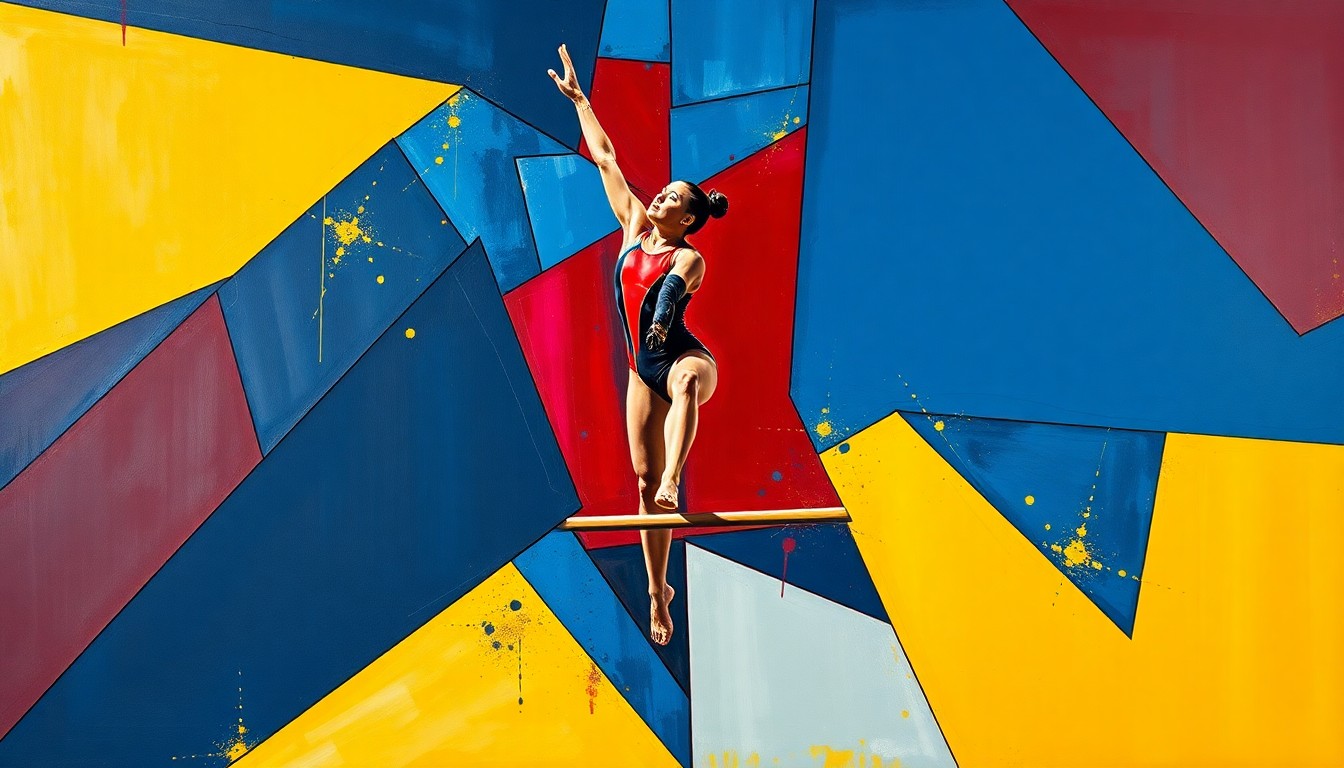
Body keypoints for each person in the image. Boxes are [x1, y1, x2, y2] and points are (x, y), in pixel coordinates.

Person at [549, 44, 729, 646]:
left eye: (673, 199)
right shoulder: (633, 226)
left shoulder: (690, 257)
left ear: (688, 220)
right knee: (642, 485)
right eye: (664, 192)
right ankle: (658, 590)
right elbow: (605, 157)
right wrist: (581, 102)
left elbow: (672, 291)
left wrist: (662, 319)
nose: (660, 198)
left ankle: (677, 475)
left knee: (686, 385)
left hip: (683, 356)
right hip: (640, 369)